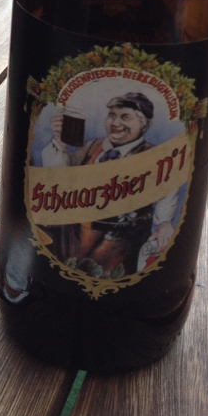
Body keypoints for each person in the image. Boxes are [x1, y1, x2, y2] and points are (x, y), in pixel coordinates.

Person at [39, 91, 179, 278]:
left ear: (144, 124)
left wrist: (164, 223)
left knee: (110, 279)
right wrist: (60, 144)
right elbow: (59, 179)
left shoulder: (154, 156)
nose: (116, 123)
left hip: (122, 243)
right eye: (112, 116)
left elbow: (168, 188)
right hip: (77, 236)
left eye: (125, 117)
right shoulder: (91, 146)